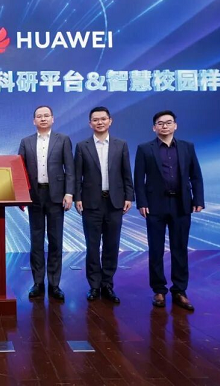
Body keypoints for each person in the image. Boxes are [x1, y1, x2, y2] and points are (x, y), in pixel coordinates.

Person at [134, 110, 204, 311]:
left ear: (175, 125)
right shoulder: (144, 149)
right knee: (156, 249)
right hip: (155, 205)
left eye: (168, 122)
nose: (164, 126)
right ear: (154, 127)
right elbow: (139, 178)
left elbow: (196, 176)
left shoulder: (187, 147)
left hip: (181, 204)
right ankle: (158, 290)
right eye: (160, 123)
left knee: (180, 248)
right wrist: (141, 202)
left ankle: (180, 290)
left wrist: (198, 199)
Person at [74, 106, 133, 304]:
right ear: (90, 123)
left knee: (111, 245)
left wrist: (129, 196)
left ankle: (107, 284)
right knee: (92, 246)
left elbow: (126, 173)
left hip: (115, 202)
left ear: (110, 121)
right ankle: (94, 285)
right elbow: (77, 175)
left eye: (103, 119)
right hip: (91, 203)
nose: (100, 122)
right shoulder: (82, 146)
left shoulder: (120, 144)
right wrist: (77, 197)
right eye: (95, 120)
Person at [18, 105, 74, 301]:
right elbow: (19, 170)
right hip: (34, 195)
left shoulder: (63, 140)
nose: (43, 119)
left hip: (56, 195)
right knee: (36, 241)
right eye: (39, 116)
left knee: (55, 240)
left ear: (53, 119)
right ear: (33, 121)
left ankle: (55, 284)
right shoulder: (26, 142)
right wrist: (21, 195)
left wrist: (69, 193)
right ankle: (38, 283)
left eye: (46, 116)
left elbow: (70, 168)